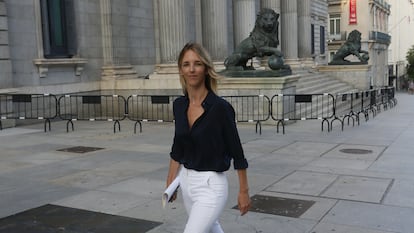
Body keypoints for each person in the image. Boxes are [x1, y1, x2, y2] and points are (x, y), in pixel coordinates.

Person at [166, 42, 251, 233]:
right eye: (186, 64)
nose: (192, 69)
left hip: (211, 185)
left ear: (206, 68)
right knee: (212, 228)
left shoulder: (220, 108)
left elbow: (237, 152)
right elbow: (177, 147)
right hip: (186, 182)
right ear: (181, 70)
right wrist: (171, 183)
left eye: (197, 63)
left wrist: (244, 191)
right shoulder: (179, 105)